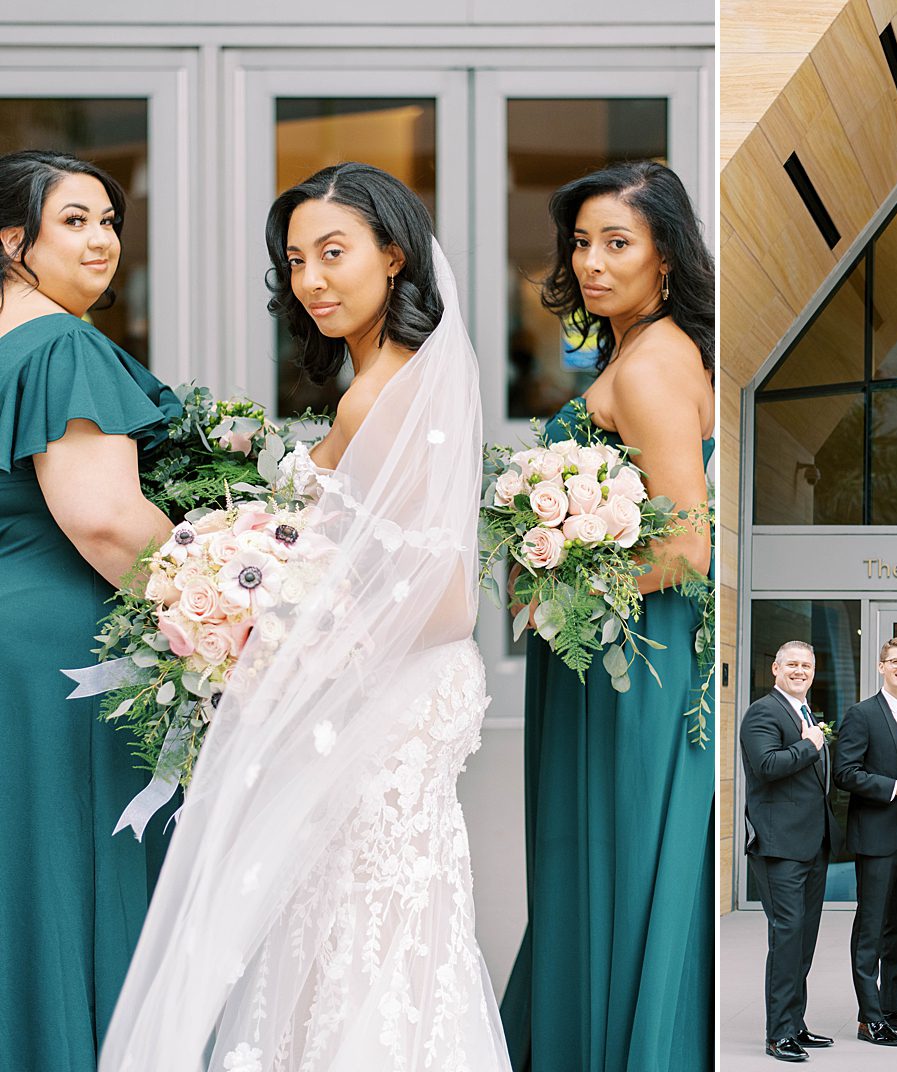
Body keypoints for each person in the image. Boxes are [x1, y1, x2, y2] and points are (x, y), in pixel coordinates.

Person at [101, 163, 510, 1069]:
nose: (312, 280)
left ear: (394, 257)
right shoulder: (382, 384)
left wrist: (280, 634)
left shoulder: (387, 392)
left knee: (364, 922)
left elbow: (442, 597)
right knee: (356, 923)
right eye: (295, 261)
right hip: (374, 689)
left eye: (334, 254)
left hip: (379, 699)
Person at [500, 160, 714, 1072]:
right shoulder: (636, 351)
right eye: (581, 243)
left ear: (665, 257)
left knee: (617, 867)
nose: (591, 262)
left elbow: (688, 545)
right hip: (614, 647)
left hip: (631, 656)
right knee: (600, 868)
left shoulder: (654, 365)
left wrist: (560, 582)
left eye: (617, 243)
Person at [0, 149, 181, 1072]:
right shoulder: (59, 346)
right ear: (11, 241)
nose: (103, 239)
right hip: (67, 657)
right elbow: (108, 523)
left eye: (109, 219)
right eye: (73, 221)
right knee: (76, 881)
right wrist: (230, 604)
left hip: (13, 649)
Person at [740, 641, 840, 1063]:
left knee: (803, 940)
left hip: (811, 845)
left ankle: (795, 1023)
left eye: (806, 665)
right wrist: (811, 744)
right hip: (780, 846)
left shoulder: (804, 713)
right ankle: (778, 1033)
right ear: (775, 669)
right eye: (792, 665)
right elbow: (766, 765)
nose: (800, 671)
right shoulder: (763, 712)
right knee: (786, 937)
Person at [833, 637, 897, 1046]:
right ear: (880, 666)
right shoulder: (862, 714)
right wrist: (894, 787)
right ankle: (868, 1016)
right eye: (895, 661)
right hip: (877, 835)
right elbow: (845, 772)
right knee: (871, 926)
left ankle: (894, 1006)